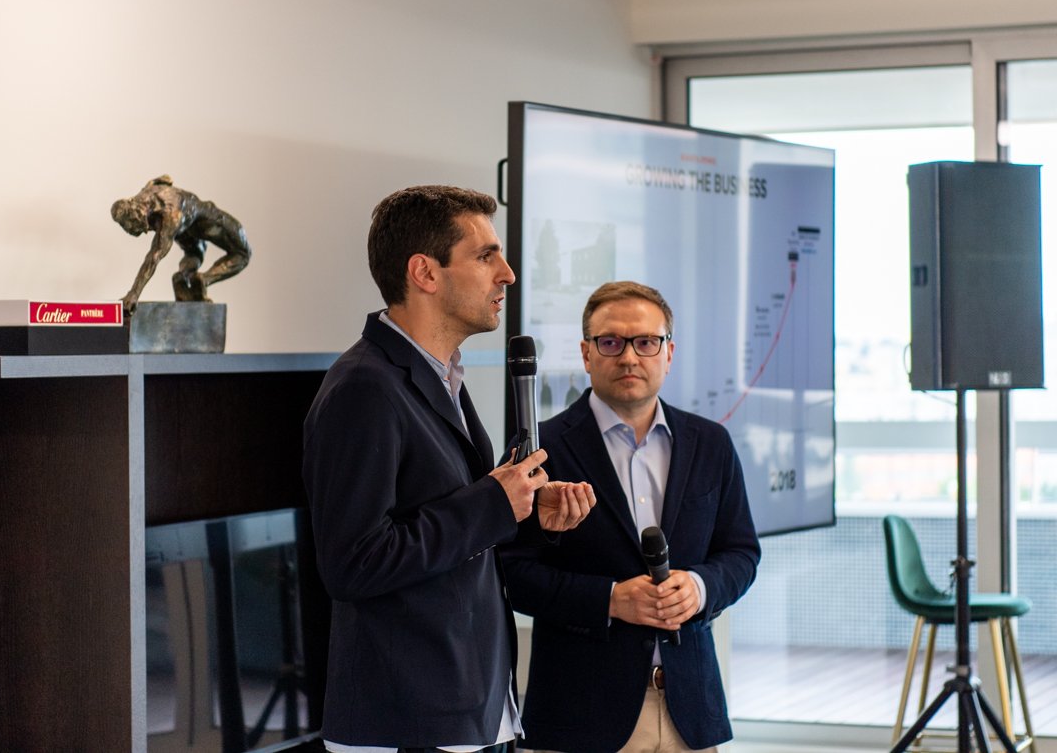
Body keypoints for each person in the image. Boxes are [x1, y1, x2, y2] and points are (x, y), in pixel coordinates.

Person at [302, 184, 597, 752]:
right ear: (425, 273)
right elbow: (352, 563)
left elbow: (443, 525)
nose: (507, 274)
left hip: (468, 710)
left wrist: (524, 513)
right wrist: (492, 503)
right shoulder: (365, 388)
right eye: (486, 256)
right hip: (407, 723)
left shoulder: (441, 377)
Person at [502, 281, 761, 753]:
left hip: (690, 712)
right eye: (610, 342)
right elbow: (510, 574)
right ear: (586, 353)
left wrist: (700, 587)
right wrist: (610, 600)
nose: (628, 357)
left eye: (645, 342)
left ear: (668, 353)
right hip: (581, 717)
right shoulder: (539, 451)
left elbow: (741, 553)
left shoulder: (711, 443)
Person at [111, 175, 251, 314]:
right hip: (187, 226)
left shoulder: (171, 214)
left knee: (243, 253)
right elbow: (158, 180)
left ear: (136, 208)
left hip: (202, 220)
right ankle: (191, 278)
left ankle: (194, 278)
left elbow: (155, 255)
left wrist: (134, 293)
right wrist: (163, 179)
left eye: (137, 224)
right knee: (195, 253)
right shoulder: (143, 194)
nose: (146, 231)